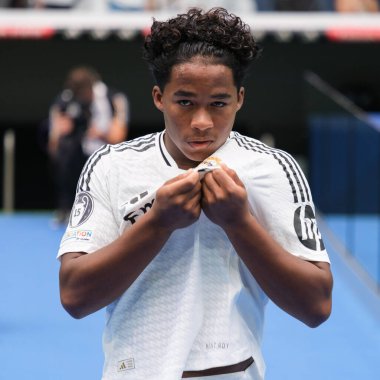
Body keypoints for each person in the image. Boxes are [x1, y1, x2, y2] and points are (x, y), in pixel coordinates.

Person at [57, 7, 333, 380]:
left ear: (239, 99)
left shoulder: (273, 168)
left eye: (218, 103)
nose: (202, 121)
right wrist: (158, 223)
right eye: (185, 102)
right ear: (159, 97)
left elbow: (316, 305)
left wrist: (239, 223)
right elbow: (74, 296)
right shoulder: (112, 165)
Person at [48, 66, 129, 223]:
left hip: (106, 151)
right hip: (78, 155)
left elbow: (118, 137)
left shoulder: (114, 98)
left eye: (85, 93)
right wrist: (60, 131)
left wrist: (100, 133)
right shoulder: (66, 99)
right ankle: (66, 208)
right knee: (65, 149)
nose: (83, 97)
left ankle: (110, 210)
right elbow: (55, 138)